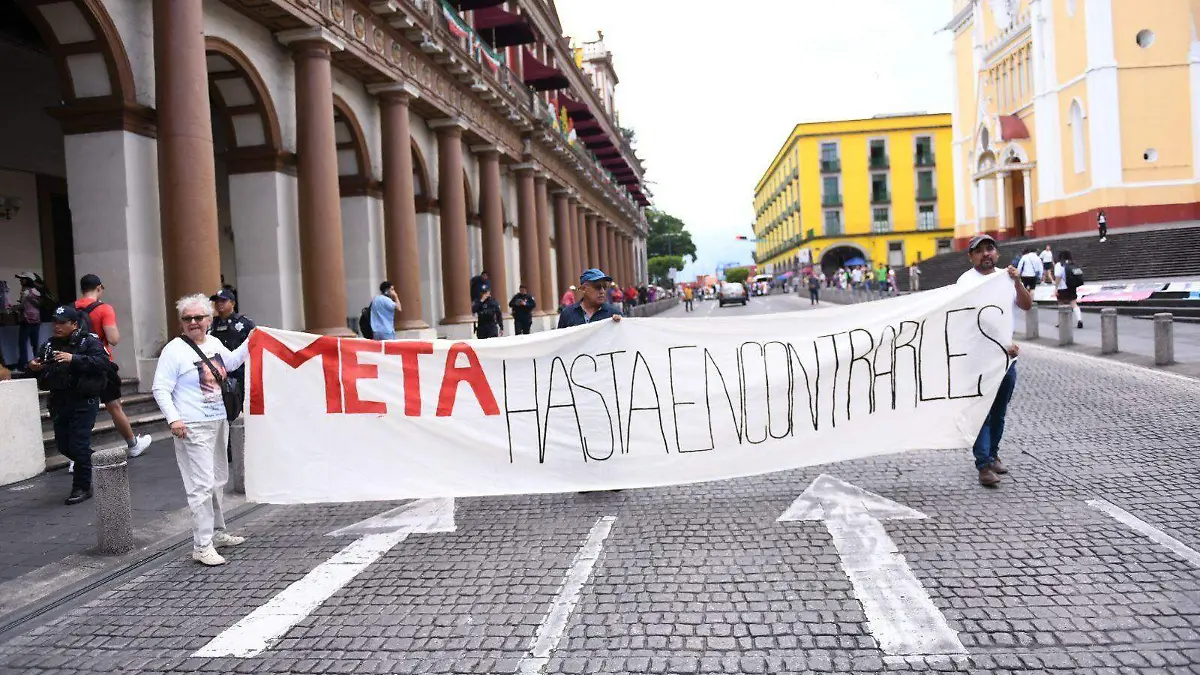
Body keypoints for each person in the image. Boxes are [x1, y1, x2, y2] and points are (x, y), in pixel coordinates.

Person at [152, 294, 251, 566]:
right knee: (201, 486)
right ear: (181, 322)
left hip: (219, 420)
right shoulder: (174, 350)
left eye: (199, 317)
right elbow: (160, 388)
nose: (194, 322)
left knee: (218, 479)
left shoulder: (215, 342)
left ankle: (218, 532)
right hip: (192, 426)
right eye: (188, 318)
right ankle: (202, 545)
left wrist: (252, 341)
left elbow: (230, 364)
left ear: (209, 319)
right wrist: (174, 419)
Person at [956, 235, 1032, 487]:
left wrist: (1018, 282)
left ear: (997, 254)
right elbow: (965, 320)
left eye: (990, 249)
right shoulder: (965, 282)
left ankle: (994, 453)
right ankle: (984, 465)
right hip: (977, 361)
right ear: (971, 257)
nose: (985, 254)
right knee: (982, 413)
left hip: (1006, 360)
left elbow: (1026, 305)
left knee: (999, 412)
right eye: (979, 251)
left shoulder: (1007, 278)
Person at [25, 306, 111, 504]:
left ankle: (81, 487)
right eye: (55, 321)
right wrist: (32, 367)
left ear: (74, 324)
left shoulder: (88, 341)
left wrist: (74, 359)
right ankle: (95, 461)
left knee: (79, 444)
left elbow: (103, 363)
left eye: (62, 322)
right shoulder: (49, 344)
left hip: (83, 400)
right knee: (64, 445)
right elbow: (37, 371)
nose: (57, 326)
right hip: (59, 401)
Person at [76, 274, 152, 460]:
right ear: (99, 288)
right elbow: (113, 339)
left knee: (80, 410)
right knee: (114, 406)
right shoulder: (104, 309)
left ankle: (76, 456)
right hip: (101, 363)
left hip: (77, 363)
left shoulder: (71, 309)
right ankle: (133, 444)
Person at [558, 268, 624, 328]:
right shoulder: (567, 313)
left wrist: (620, 324)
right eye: (597, 287)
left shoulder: (614, 312)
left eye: (605, 287)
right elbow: (560, 339)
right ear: (584, 289)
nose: (602, 291)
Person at [15, 272, 43, 370]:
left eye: (22, 279)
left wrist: (14, 307)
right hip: (36, 320)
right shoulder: (36, 291)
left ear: (27, 280)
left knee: (22, 343)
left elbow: (22, 306)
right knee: (35, 344)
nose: (20, 280)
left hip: (26, 321)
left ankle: (23, 365)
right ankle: (38, 364)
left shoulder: (25, 292)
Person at [1054, 250, 1084, 329]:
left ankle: (1062, 322)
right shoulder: (1072, 263)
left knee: (1061, 304)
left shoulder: (1059, 265)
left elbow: (1058, 277)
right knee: (1074, 304)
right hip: (1071, 286)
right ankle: (1079, 320)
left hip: (1062, 287)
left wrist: (1056, 288)